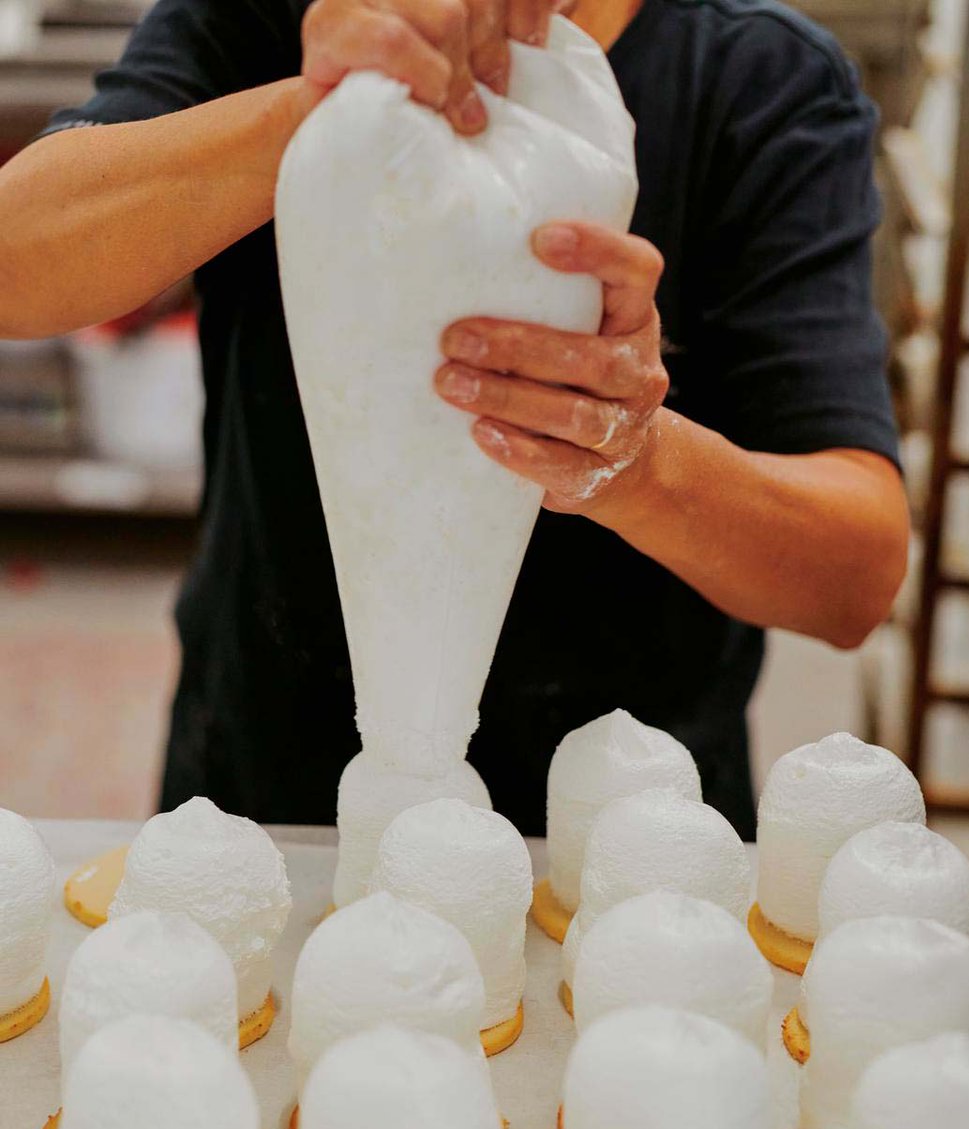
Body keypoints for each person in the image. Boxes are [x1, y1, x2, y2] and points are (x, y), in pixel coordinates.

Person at [0, 0, 909, 839]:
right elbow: (17, 263)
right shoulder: (277, 19)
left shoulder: (761, 81)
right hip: (271, 807)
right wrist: (329, 115)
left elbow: (854, 578)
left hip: (620, 843)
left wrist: (636, 464)